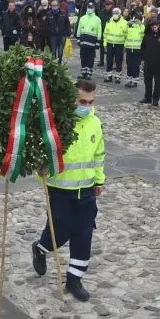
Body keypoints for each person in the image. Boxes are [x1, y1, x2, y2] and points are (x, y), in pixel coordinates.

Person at [31, 79, 105, 301]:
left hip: (87, 189)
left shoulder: (95, 123)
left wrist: (99, 180)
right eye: (82, 101)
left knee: (84, 233)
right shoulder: (57, 122)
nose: (86, 105)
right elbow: (41, 149)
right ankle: (41, 248)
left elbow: (98, 154)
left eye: (90, 102)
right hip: (59, 188)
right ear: (72, 98)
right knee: (60, 227)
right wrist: (41, 168)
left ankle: (74, 279)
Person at [139, 18, 160, 106]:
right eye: (153, 25)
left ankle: (155, 99)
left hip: (159, 64)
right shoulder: (148, 34)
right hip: (148, 61)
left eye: (157, 25)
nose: (155, 27)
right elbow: (143, 46)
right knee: (147, 81)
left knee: (157, 82)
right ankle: (147, 97)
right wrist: (142, 58)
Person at [75, 2, 101, 79]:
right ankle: (83, 73)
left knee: (90, 59)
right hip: (83, 41)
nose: (89, 9)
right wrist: (78, 38)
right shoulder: (82, 18)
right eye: (88, 7)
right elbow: (79, 29)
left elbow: (99, 31)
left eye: (91, 7)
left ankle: (89, 73)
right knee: (83, 58)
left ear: (93, 9)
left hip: (92, 43)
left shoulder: (97, 19)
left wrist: (98, 42)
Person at [102, 6, 127, 83]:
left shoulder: (125, 23)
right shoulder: (109, 22)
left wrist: (125, 46)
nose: (115, 14)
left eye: (116, 13)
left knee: (118, 61)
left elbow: (127, 35)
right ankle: (109, 76)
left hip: (120, 44)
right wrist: (105, 44)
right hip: (110, 44)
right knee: (109, 60)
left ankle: (118, 77)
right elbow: (105, 34)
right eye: (114, 13)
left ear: (119, 14)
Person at [123, 14, 144, 88]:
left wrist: (140, 24)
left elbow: (143, 34)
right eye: (135, 19)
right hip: (129, 48)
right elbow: (124, 33)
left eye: (138, 19)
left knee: (135, 66)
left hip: (137, 49)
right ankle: (129, 80)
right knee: (129, 65)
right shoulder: (130, 27)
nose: (136, 21)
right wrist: (127, 24)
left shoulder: (141, 27)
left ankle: (135, 81)